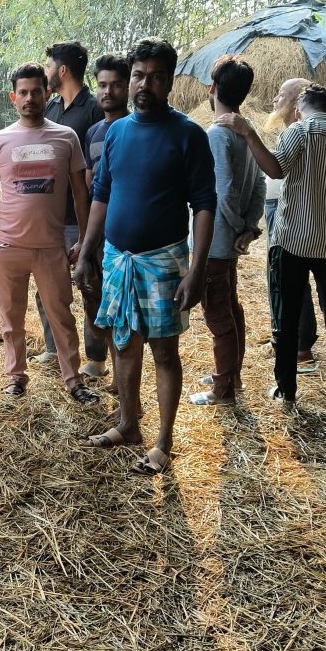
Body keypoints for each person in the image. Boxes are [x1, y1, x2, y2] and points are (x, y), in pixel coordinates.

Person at [75, 37, 216, 475]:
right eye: (138, 75)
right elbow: (102, 193)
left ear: (170, 81)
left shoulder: (188, 135)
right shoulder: (116, 132)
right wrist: (87, 250)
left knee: (164, 353)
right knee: (123, 344)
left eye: (155, 77)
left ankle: (163, 442)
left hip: (163, 262)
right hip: (117, 259)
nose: (144, 85)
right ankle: (128, 424)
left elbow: (204, 204)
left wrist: (197, 270)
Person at [215, 84, 326, 406]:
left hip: (293, 243)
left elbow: (275, 169)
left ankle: (286, 389)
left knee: (286, 317)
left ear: (300, 110)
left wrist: (249, 133)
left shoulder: (298, 132)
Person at [0, 63, 98, 404]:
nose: (30, 98)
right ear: (13, 97)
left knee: (61, 316)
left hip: (51, 247)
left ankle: (74, 380)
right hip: (9, 247)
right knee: (11, 319)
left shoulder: (66, 137)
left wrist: (83, 240)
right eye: (23, 93)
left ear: (47, 94)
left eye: (36, 92)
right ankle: (16, 377)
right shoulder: (0, 140)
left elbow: (80, 194)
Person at [189, 55, 265, 407]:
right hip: (231, 238)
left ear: (212, 88)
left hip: (217, 240)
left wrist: (236, 228)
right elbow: (259, 185)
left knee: (218, 313)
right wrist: (248, 226)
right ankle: (231, 374)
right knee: (230, 307)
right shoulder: (246, 132)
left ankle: (223, 390)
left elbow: (224, 191)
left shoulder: (217, 134)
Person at [33, 40, 104, 369]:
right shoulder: (50, 108)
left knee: (89, 286)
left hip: (81, 216)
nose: (45, 71)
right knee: (47, 287)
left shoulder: (94, 109)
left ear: (62, 70)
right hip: (49, 217)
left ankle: (96, 358)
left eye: (48, 65)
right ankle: (54, 349)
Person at [81, 52, 132, 384]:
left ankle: (123, 381)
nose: (108, 92)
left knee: (123, 308)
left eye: (115, 85)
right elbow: (90, 186)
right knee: (100, 300)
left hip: (126, 233)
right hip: (99, 231)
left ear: (127, 87)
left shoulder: (136, 128)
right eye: (102, 85)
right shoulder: (93, 133)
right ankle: (107, 368)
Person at [264, 77, 321, 371]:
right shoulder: (292, 133)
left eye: (281, 95)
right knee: (285, 277)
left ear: (298, 102)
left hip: (285, 211)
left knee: (286, 276)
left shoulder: (300, 134)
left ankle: (300, 345)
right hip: (278, 208)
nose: (275, 100)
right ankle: (291, 339)